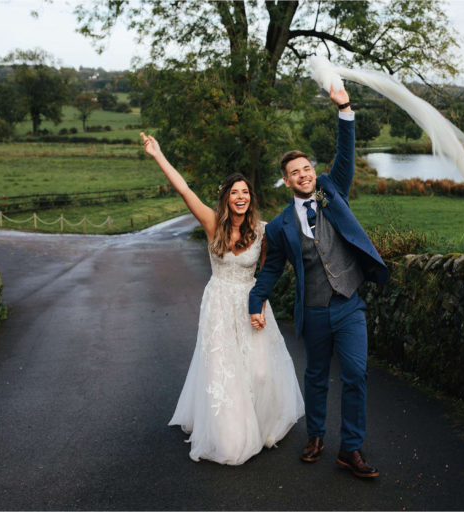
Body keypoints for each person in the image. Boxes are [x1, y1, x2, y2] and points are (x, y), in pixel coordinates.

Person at [248, 87, 389, 478]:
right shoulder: (278, 227)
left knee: (356, 374)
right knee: (314, 377)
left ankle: (352, 448)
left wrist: (344, 107)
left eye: (307, 168)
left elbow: (345, 155)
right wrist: (254, 301)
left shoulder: (332, 190)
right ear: (286, 180)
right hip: (313, 311)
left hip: (348, 305)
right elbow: (272, 269)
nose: (304, 174)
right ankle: (315, 437)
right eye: (295, 172)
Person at [140, 132, 304, 465]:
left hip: (250, 304)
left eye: (245, 192)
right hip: (217, 303)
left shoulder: (263, 230)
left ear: (251, 197)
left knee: (258, 370)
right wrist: (158, 155)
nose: (240, 197)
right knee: (223, 369)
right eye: (234, 192)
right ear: (226, 198)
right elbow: (184, 189)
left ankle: (262, 421)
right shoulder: (211, 222)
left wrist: (259, 304)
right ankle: (230, 433)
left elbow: (268, 271)